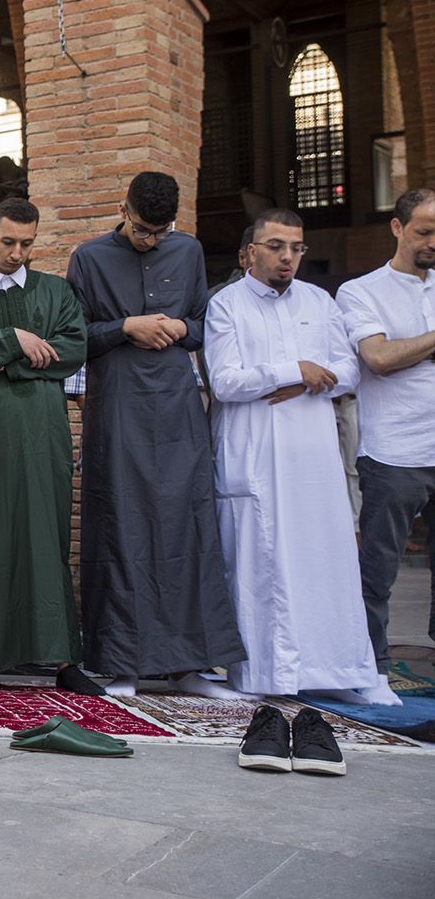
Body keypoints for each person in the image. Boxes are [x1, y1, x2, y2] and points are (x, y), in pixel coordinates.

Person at [65, 172, 244, 697]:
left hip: (176, 408)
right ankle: (123, 665)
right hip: (118, 407)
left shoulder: (186, 252)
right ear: (124, 208)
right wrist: (126, 328)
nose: (151, 240)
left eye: (159, 232)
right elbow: (73, 336)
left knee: (186, 526)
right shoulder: (89, 258)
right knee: (123, 524)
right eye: (143, 230)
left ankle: (191, 666)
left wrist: (177, 329)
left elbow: (203, 322)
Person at [205, 208, 389, 703]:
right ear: (249, 252)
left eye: (296, 248)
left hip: (312, 456)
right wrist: (296, 370)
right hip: (254, 453)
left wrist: (301, 377)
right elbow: (225, 381)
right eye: (276, 246)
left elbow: (349, 372)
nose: (287, 257)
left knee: (322, 558)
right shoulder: (226, 306)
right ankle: (264, 676)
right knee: (260, 561)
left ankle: (335, 669)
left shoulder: (319, 301)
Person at [0, 197, 103, 696]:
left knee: (46, 542)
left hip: (40, 440)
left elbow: (72, 349)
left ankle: (60, 660)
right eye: (8, 241)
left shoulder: (55, 292)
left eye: (27, 244)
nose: (17, 252)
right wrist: (13, 339)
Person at [335, 187, 435, 690]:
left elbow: (399, 354)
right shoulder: (361, 291)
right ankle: (369, 668)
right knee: (377, 571)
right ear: (397, 228)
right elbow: (378, 358)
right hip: (394, 451)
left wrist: (411, 349)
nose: (432, 242)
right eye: (424, 231)